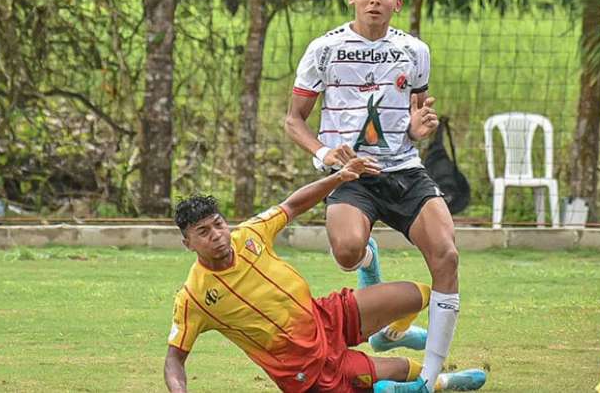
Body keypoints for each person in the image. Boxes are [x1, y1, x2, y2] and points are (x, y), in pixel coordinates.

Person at [163, 158, 485, 393]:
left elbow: (293, 204)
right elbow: (174, 359)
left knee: (418, 294)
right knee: (404, 373)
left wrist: (339, 178)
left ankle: (388, 336)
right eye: (203, 232)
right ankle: (442, 383)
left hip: (326, 316)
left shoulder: (249, 234)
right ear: (187, 243)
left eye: (218, 224)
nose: (217, 235)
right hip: (306, 368)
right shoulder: (194, 297)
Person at [284, 0, 460, 390]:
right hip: (350, 174)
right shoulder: (324, 49)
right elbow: (294, 120)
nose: (375, 0)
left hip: (404, 171)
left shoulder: (414, 50)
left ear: (397, 2)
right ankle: (368, 261)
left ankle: (428, 378)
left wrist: (419, 128)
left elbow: (416, 112)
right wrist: (325, 153)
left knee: (447, 257)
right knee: (346, 252)